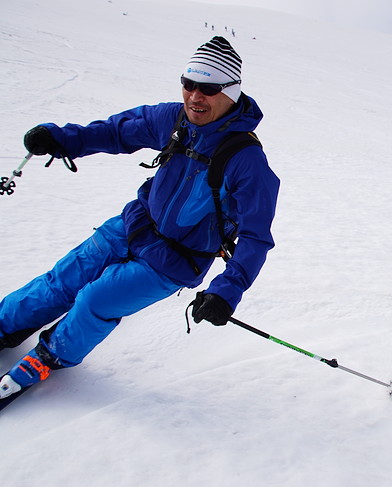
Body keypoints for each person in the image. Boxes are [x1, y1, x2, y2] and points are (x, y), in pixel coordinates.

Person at [0, 37, 279, 401]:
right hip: (133, 225)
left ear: (232, 91)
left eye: (209, 88)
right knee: (63, 280)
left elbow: (256, 238)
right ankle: (5, 325)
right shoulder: (172, 119)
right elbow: (117, 130)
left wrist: (227, 291)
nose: (195, 96)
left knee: (94, 301)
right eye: (189, 84)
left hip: (174, 261)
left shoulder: (247, 161)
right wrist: (62, 140)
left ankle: (49, 356)